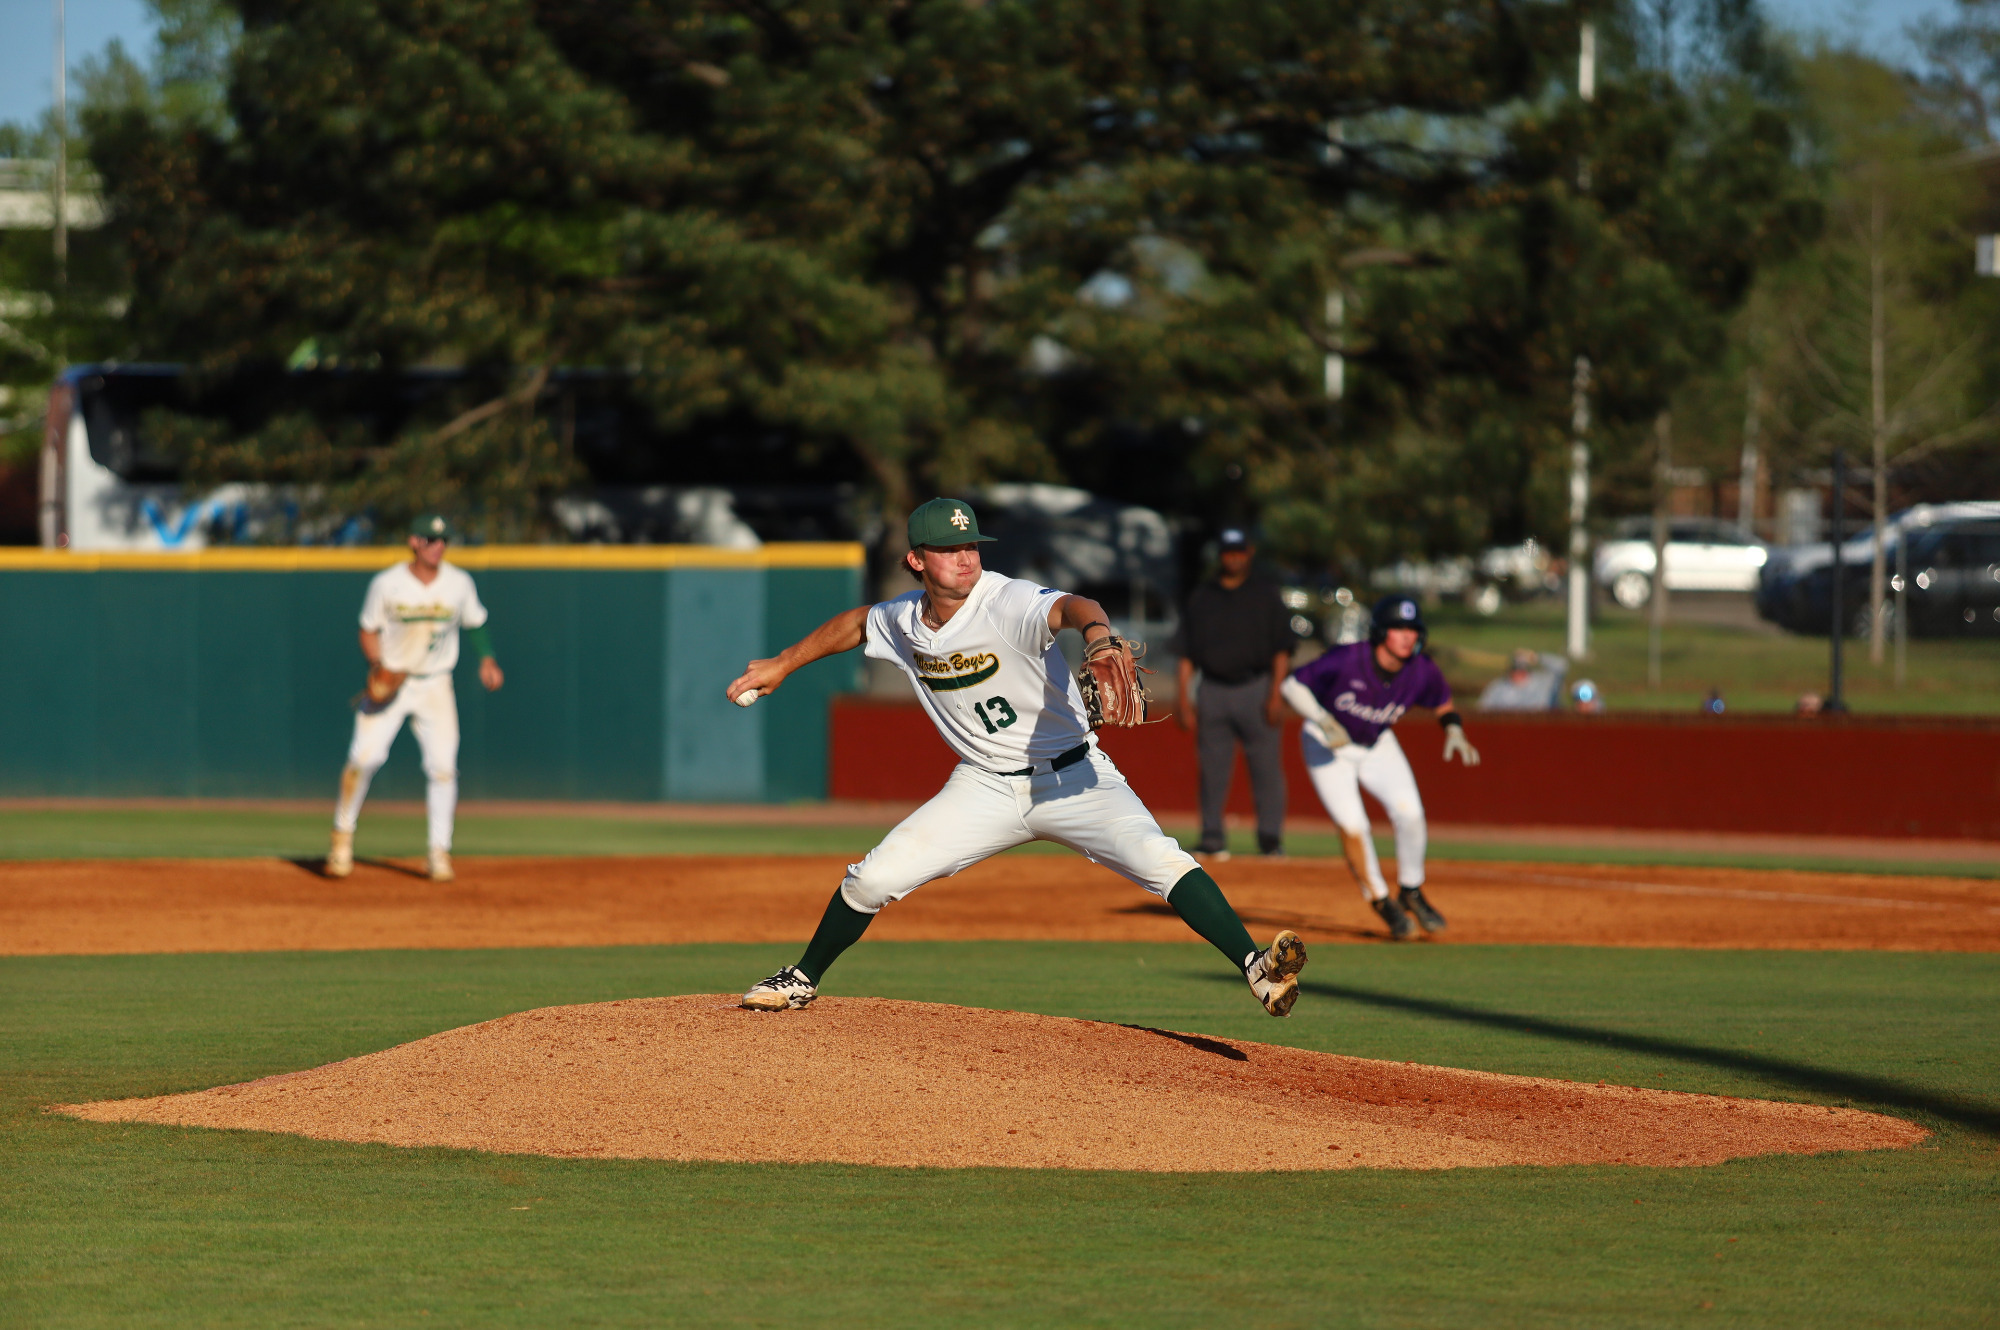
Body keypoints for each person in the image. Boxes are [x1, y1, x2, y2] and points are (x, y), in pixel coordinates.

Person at [725, 497, 1307, 1016]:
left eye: (971, 545)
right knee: (873, 878)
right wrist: (782, 663)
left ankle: (1255, 967)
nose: (966, 558)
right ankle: (802, 977)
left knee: (1162, 859)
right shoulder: (905, 618)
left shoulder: (1006, 601)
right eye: (948, 548)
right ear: (916, 561)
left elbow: (1076, 605)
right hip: (983, 787)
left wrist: (1099, 635)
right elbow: (857, 623)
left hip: (1078, 779)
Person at [1279, 595, 1479, 940]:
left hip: (1376, 744)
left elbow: (1442, 701)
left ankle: (1411, 890)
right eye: (1398, 628)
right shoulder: (1348, 658)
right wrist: (1322, 719)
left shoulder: (1421, 670)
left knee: (1411, 813)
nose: (1407, 636)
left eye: (1413, 629)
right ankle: (1381, 900)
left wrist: (1454, 729)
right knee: (1354, 825)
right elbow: (1291, 685)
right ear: (1380, 632)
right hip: (1326, 743)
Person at [325, 514, 504, 883]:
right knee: (363, 758)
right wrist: (376, 663)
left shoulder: (459, 583)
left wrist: (487, 658)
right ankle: (342, 837)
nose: (438, 546)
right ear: (413, 542)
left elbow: (476, 622)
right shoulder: (388, 583)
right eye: (430, 539)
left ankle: (439, 852)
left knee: (442, 768)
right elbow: (368, 629)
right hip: (392, 681)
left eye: (443, 541)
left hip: (436, 684)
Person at [1174, 528, 1296, 860]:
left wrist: (1276, 694)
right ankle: (1212, 837)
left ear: (1250, 552)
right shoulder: (1202, 597)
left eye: (1239, 551)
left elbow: (1282, 650)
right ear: (1220, 555)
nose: (1234, 557)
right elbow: (1185, 653)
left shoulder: (1265, 594)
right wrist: (1184, 699)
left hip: (1256, 687)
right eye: (1228, 552)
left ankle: (1270, 840)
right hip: (1212, 688)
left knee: (1267, 768)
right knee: (1212, 769)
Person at [1478, 647, 1568, 711]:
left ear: (1528, 670)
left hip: (1539, 729)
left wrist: (1535, 657)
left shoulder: (1543, 683)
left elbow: (1561, 666)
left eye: (1522, 669)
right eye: (1515, 669)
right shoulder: (1498, 687)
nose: (1518, 673)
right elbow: (1482, 709)